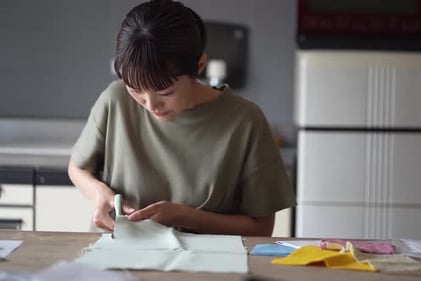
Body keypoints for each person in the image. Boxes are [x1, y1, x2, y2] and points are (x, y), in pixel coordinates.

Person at [67, 0, 296, 236]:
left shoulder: (245, 121)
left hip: (206, 267)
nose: (150, 104)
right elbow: (77, 168)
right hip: (114, 261)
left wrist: (184, 217)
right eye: (135, 90)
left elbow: (261, 227)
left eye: (166, 92)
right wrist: (98, 193)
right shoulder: (114, 100)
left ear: (199, 66)